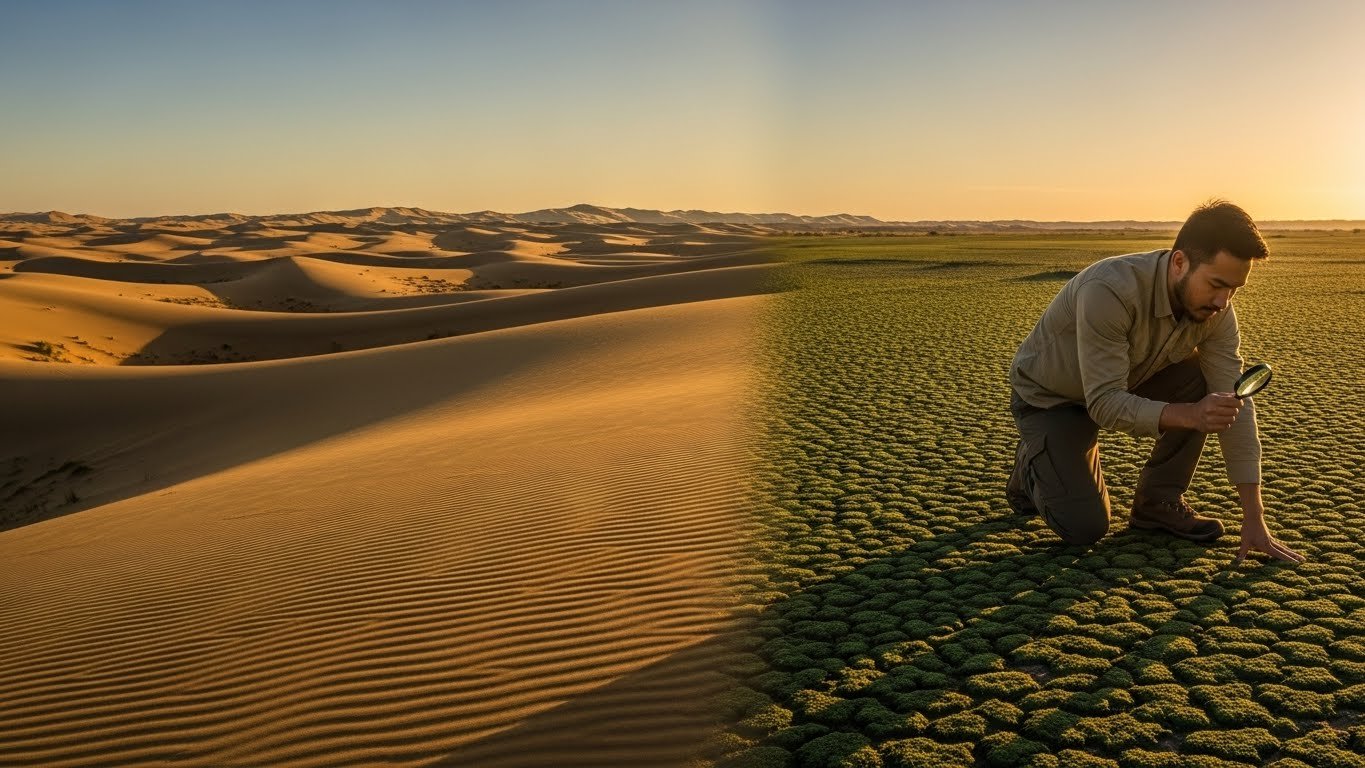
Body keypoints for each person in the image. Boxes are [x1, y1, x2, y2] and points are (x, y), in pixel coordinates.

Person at [1007, 199, 1304, 563]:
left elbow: (1234, 404)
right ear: (1179, 262)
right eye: (1216, 284)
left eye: (1234, 289)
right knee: (1084, 528)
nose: (1223, 301)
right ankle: (1031, 465)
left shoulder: (1218, 312)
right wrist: (1193, 415)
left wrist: (1254, 518)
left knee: (1206, 384)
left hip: (1129, 380)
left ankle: (1157, 502)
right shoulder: (1109, 290)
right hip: (1053, 399)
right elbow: (1103, 404)